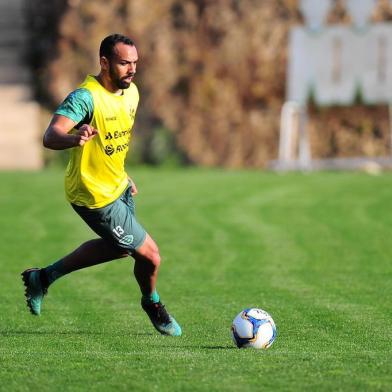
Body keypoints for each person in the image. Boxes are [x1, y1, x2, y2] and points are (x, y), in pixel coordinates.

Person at [21, 33, 181, 337]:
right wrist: (74, 137)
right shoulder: (85, 98)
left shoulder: (131, 92)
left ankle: (43, 278)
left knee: (121, 249)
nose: (132, 69)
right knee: (150, 255)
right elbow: (50, 135)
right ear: (104, 63)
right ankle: (153, 303)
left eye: (135, 63)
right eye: (124, 63)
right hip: (93, 194)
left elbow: (113, 140)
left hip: (117, 185)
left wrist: (123, 174)